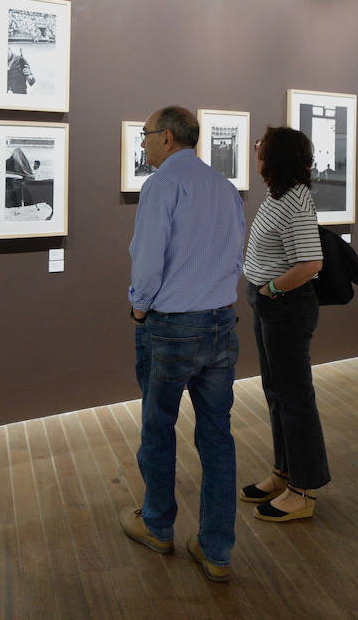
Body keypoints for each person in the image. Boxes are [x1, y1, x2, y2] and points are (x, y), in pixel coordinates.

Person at [121, 106, 246, 584]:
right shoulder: (225, 187)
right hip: (220, 323)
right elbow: (236, 256)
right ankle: (216, 550)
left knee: (158, 427)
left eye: (146, 134)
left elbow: (148, 261)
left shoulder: (162, 186)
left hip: (170, 325)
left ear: (167, 138)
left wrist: (139, 305)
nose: (144, 142)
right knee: (217, 435)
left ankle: (157, 526)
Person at [239, 126, 328, 521]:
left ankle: (303, 490)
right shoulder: (278, 196)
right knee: (277, 392)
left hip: (286, 306)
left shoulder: (296, 201)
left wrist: (272, 288)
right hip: (268, 303)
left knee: (295, 398)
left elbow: (311, 263)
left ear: (277, 156)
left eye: (262, 145)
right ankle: (284, 472)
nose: (256, 148)